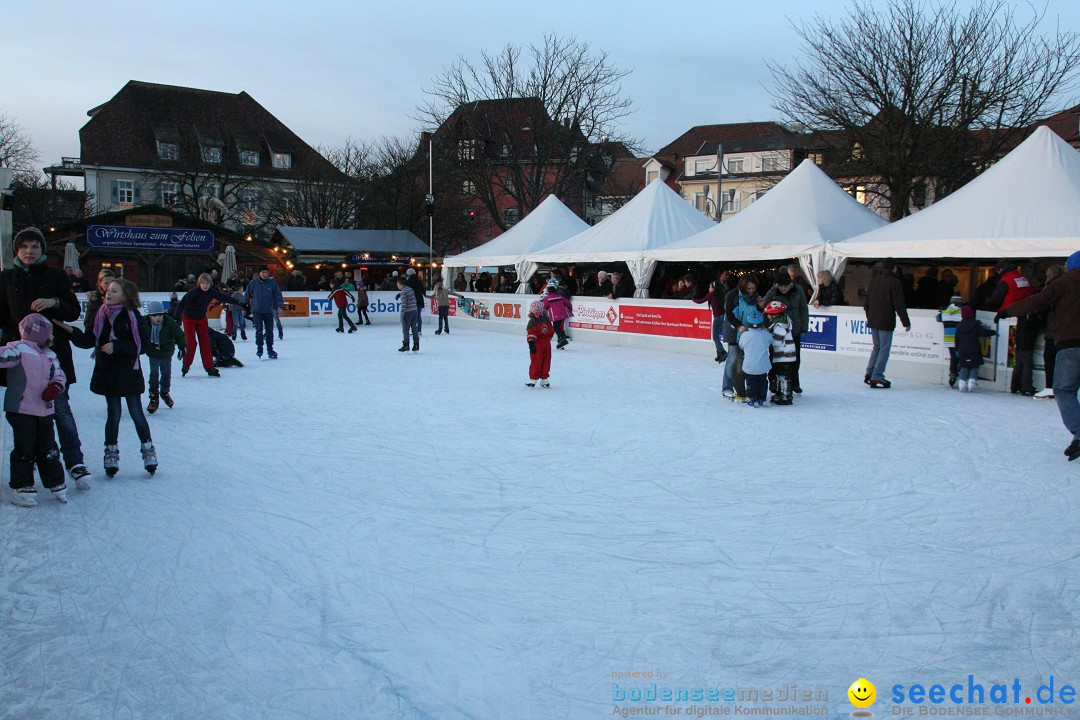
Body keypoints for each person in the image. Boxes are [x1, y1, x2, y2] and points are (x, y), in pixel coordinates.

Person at [0, 227, 92, 491]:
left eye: (35, 247)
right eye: (24, 247)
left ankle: (74, 461)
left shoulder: (56, 277)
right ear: (17, 250)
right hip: (18, 360)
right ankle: (32, 459)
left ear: (42, 250)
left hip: (53, 355)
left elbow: (73, 311)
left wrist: (54, 302)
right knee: (22, 414)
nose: (30, 252)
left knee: (60, 409)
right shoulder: (6, 278)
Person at [66, 278, 156, 476]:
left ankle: (148, 449)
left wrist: (118, 347)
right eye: (109, 289)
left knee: (136, 412)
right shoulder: (101, 315)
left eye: (114, 291)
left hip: (128, 372)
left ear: (125, 296)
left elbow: (142, 346)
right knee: (113, 414)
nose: (108, 292)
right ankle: (111, 452)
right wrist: (71, 331)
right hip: (108, 372)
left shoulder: (133, 316)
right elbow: (89, 339)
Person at [995, 251, 1080, 461]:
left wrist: (1008, 310)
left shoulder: (1065, 282)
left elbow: (1037, 301)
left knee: (1064, 389)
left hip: (1071, 344)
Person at [1, 314, 69, 507]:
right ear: (40, 336)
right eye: (51, 335)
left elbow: (59, 374)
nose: (53, 338)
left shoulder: (50, 355)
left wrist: (56, 386)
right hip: (21, 409)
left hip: (45, 411)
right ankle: (21, 486)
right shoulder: (18, 350)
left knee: (48, 448)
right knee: (25, 447)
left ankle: (55, 481)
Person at [177, 273, 246, 375]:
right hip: (189, 318)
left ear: (210, 284)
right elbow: (181, 304)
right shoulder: (193, 292)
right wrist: (176, 318)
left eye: (207, 283)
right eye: (203, 283)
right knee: (191, 343)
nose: (205, 285)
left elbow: (225, 298)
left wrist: (240, 303)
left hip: (201, 319)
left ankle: (209, 367)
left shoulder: (211, 292)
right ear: (199, 284)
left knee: (205, 342)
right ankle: (186, 364)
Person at [863, 258, 911, 389]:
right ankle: (877, 375)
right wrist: (905, 322)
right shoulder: (895, 283)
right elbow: (899, 304)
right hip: (886, 320)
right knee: (884, 349)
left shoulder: (874, 281)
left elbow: (866, 303)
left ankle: (870, 371)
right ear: (894, 268)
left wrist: (870, 317)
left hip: (873, 320)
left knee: (877, 347)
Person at [764, 268, 809, 394]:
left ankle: (794, 382)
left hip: (794, 330)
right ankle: (774, 381)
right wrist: (767, 326)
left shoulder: (798, 289)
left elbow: (803, 309)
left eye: (786, 286)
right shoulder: (773, 291)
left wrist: (804, 327)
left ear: (791, 283)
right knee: (775, 357)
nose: (784, 289)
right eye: (781, 286)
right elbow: (765, 308)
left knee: (794, 358)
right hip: (778, 331)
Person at [142, 301, 185, 414]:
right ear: (149, 315)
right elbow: (137, 334)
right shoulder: (144, 322)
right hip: (153, 352)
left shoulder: (169, 322)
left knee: (166, 373)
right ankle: (153, 396)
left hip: (166, 352)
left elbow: (179, 334)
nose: (157, 318)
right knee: (154, 373)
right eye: (154, 315)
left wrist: (182, 346)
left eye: (160, 315)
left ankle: (164, 392)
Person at [723, 274, 761, 401]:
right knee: (733, 358)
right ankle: (727, 387)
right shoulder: (733, 296)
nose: (751, 291)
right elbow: (729, 314)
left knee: (747, 360)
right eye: (748, 289)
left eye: (753, 288)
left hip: (749, 333)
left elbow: (758, 314)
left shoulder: (756, 297)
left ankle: (745, 387)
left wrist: (761, 306)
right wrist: (738, 325)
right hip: (734, 330)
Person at [1035, 265, 1065, 399]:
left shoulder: (1051, 288)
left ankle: (1050, 388)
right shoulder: (1068, 285)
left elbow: (1041, 304)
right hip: (1065, 331)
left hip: (1053, 330)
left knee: (1050, 359)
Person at [244, 266, 284, 360]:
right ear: (259, 273)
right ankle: (259, 348)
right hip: (257, 311)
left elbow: (278, 294)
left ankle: (270, 349)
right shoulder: (253, 283)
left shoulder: (272, 283)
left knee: (269, 331)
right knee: (259, 330)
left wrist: (280, 306)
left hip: (269, 311)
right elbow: (247, 294)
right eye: (263, 272)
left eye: (266, 272)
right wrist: (244, 306)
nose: (265, 274)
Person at [954, 305, 996, 393]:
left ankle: (962, 384)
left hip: (963, 350)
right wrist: (994, 332)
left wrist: (957, 350)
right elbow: (984, 332)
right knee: (974, 366)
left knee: (964, 366)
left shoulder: (959, 326)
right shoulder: (975, 324)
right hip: (974, 349)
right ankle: (971, 382)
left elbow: (956, 339)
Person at [765, 300, 796, 406]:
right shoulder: (781, 323)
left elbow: (777, 342)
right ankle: (779, 393)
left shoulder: (779, 326)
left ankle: (786, 396)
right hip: (783, 356)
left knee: (784, 376)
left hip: (785, 356)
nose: (768, 317)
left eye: (769, 314)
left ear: (775, 315)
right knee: (779, 375)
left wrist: (768, 339)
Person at [738, 315, 772, 408]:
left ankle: (751, 397)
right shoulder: (765, 334)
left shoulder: (745, 335)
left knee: (750, 381)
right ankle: (761, 398)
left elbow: (741, 345)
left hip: (750, 365)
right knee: (763, 381)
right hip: (762, 364)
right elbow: (771, 341)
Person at [692, 280, 728, 363]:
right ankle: (719, 353)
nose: (709, 289)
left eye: (710, 287)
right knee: (716, 337)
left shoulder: (712, 294)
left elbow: (701, 301)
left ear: (714, 288)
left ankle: (722, 352)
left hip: (718, 318)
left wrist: (693, 299)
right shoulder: (721, 294)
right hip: (722, 317)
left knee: (715, 337)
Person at [935, 293, 964, 388]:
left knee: (953, 356)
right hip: (961, 338)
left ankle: (953, 373)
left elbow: (938, 319)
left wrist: (942, 311)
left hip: (949, 338)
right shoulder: (962, 312)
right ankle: (960, 370)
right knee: (961, 355)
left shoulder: (945, 312)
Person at [525, 300, 555, 388]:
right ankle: (544, 379)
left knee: (536, 361)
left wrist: (531, 344)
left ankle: (533, 379)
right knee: (546, 360)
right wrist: (547, 339)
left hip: (537, 343)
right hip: (546, 344)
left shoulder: (532, 321)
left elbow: (531, 333)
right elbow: (551, 331)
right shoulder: (546, 319)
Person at [541, 279, 574, 349]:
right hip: (563, 314)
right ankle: (561, 342)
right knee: (559, 328)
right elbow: (568, 303)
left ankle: (562, 339)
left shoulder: (547, 298)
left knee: (556, 328)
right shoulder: (560, 296)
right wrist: (570, 310)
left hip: (556, 315)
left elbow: (544, 307)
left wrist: (542, 314)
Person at [83, 268, 117, 332]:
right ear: (100, 284)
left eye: (112, 282)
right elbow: (88, 323)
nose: (110, 285)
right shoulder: (95, 299)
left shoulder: (121, 298)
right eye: (106, 283)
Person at [395, 276, 419, 352]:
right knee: (414, 328)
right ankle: (416, 344)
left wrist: (402, 315)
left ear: (399, 284)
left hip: (407, 312)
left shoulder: (403, 292)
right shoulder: (410, 289)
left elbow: (404, 304)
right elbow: (414, 300)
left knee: (405, 329)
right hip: (414, 311)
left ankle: (406, 345)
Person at [405, 268, 428, 336]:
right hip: (420, 300)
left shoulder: (409, 281)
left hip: (412, 300)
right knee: (418, 316)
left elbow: (406, 290)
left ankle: (412, 330)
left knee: (411, 316)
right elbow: (423, 290)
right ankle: (419, 330)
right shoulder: (419, 280)